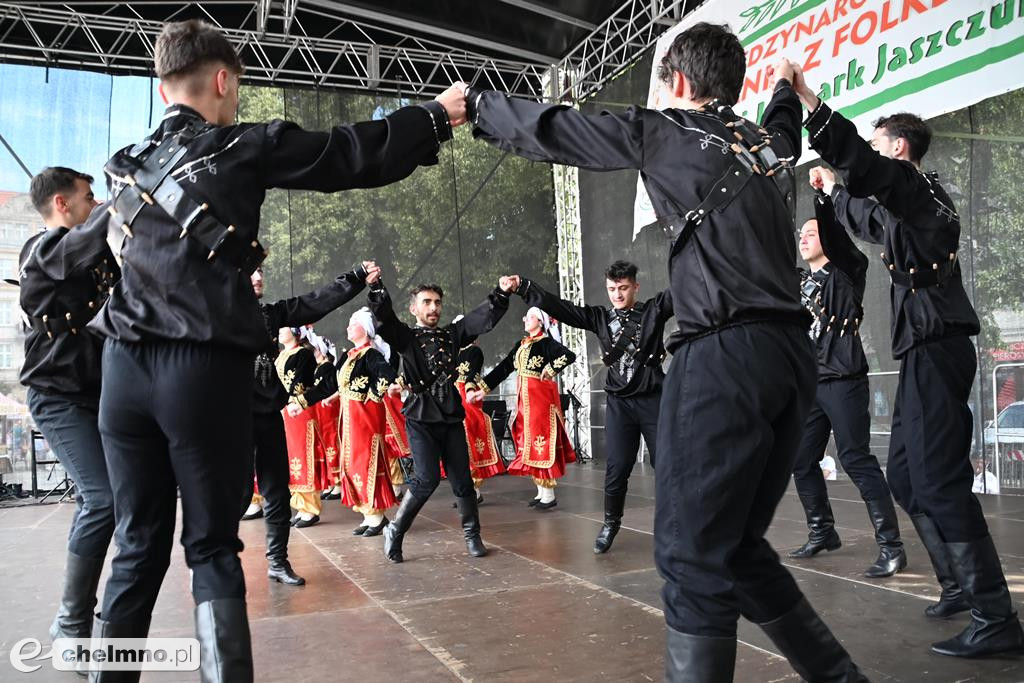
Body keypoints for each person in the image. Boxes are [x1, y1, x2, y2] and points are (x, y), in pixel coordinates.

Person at [32, 19, 469, 681]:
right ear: (222, 80)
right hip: (200, 368)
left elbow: (61, 265)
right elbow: (351, 154)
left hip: (122, 375)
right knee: (210, 546)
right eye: (235, 90)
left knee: (136, 544)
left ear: (161, 87)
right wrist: (434, 117)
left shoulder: (121, 170)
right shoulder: (242, 144)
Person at [462, 22, 866, 681]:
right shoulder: (769, 147)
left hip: (723, 357)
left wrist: (476, 109)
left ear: (677, 83)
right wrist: (786, 83)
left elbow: (560, 130)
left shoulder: (669, 131)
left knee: (690, 556)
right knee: (735, 548)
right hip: (792, 359)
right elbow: (783, 118)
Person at [792, 56, 1024, 656]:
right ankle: (957, 586)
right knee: (903, 474)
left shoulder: (919, 190)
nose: (869, 154)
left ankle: (995, 615)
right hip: (926, 349)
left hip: (937, 346)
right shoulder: (910, 208)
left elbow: (871, 181)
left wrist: (812, 105)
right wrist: (831, 193)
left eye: (876, 146)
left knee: (941, 483)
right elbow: (867, 214)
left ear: (897, 149)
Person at [18, 167, 116, 651]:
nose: (94, 203)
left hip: (98, 394)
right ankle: (71, 624)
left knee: (105, 500)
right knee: (104, 499)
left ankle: (95, 609)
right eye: (87, 197)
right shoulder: (41, 252)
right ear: (62, 203)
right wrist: (127, 200)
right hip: (56, 396)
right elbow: (81, 245)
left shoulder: (90, 254)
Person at [516, 262, 672, 552]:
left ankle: (675, 526)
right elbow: (559, 307)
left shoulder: (654, 310)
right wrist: (526, 287)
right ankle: (611, 523)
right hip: (619, 406)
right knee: (617, 469)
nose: (617, 294)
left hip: (653, 401)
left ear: (635, 287)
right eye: (612, 289)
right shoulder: (600, 318)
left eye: (623, 288)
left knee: (667, 465)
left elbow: (684, 287)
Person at [788, 203, 906, 579]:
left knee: (855, 458)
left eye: (812, 233)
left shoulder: (846, 273)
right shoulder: (794, 282)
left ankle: (892, 547)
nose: (804, 239)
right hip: (810, 386)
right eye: (801, 235)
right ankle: (823, 531)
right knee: (801, 460)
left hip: (843, 380)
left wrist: (824, 205)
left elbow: (845, 246)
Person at [365, 273, 514, 563]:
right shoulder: (404, 337)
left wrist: (502, 292)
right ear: (415, 308)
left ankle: (473, 535)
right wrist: (375, 287)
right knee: (426, 480)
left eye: (437, 303)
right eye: (426, 302)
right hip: (420, 418)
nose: (433, 308)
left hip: (450, 418)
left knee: (462, 481)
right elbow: (383, 317)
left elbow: (481, 318)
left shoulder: (452, 334)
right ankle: (395, 530)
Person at [241, 264, 372, 586]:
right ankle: (215, 568)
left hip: (269, 415)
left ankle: (278, 561)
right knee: (233, 494)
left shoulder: (270, 314)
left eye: (260, 270)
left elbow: (316, 301)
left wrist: (354, 276)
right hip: (230, 418)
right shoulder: (210, 313)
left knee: (275, 492)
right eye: (249, 270)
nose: (258, 277)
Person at [472, 306, 577, 509]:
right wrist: (482, 389)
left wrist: (549, 369)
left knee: (541, 442)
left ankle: (548, 493)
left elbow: (569, 355)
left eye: (530, 317)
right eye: (525, 316)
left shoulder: (547, 344)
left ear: (540, 321)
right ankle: (540, 491)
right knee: (526, 441)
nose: (525, 319)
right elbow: (502, 369)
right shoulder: (520, 346)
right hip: (525, 403)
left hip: (541, 403)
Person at [335, 308, 401, 536]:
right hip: (349, 418)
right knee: (352, 462)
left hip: (365, 418)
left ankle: (376, 516)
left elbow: (388, 373)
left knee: (366, 461)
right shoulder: (349, 355)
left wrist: (373, 396)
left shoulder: (371, 354)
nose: (348, 327)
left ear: (365, 329)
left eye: (353, 324)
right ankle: (367, 514)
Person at [279, 328, 327, 528]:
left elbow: (300, 383)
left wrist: (287, 402)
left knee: (302, 456)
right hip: (283, 411)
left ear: (294, 331)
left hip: (299, 410)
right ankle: (300, 506)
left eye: (283, 328)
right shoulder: (281, 355)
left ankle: (310, 508)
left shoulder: (304, 354)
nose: (280, 332)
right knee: (290, 458)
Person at [454, 335, 506, 503]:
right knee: (457, 447)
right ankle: (466, 490)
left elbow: (473, 373)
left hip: (466, 398)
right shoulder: (454, 352)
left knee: (469, 441)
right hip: (454, 398)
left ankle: (472, 490)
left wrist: (469, 389)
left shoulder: (474, 351)